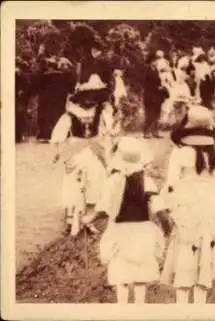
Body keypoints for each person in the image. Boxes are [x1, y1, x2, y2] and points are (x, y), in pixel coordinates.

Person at [160, 106, 215, 304]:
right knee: (206, 252)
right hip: (214, 207)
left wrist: (168, 209)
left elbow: (172, 184)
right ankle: (200, 307)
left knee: (185, 252)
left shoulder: (181, 153)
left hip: (187, 207)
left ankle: (182, 307)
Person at [91, 136, 168, 304]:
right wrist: (166, 227)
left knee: (120, 270)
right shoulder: (146, 182)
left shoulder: (113, 181)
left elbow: (103, 209)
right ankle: (139, 308)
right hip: (142, 229)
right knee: (141, 271)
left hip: (120, 229)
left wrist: (90, 218)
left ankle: (123, 308)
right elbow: (159, 208)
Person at [51, 73, 118, 236]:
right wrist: (57, 152)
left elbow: (107, 131)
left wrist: (110, 139)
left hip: (94, 150)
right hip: (76, 151)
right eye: (87, 95)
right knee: (74, 182)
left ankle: (88, 219)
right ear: (81, 96)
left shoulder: (100, 112)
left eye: (93, 96)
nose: (90, 99)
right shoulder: (70, 114)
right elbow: (58, 134)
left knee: (94, 183)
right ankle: (70, 219)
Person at [143, 54, 169, 139]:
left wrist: (161, 87)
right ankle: (146, 132)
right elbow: (145, 84)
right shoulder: (147, 70)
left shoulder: (156, 70)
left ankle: (155, 132)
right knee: (150, 114)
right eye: (155, 61)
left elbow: (158, 82)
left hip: (157, 96)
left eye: (157, 60)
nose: (156, 62)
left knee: (157, 114)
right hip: (149, 95)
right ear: (151, 62)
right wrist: (157, 87)